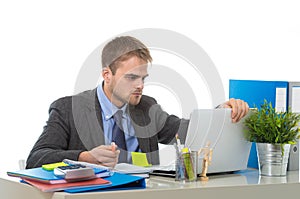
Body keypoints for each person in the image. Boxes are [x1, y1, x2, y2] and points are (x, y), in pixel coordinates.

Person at [26, 36, 249, 169]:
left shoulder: (146, 107)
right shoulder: (68, 109)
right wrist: (84, 157)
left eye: (143, 78)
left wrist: (222, 112)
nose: (140, 85)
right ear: (107, 74)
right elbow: (36, 158)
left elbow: (189, 132)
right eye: (132, 78)